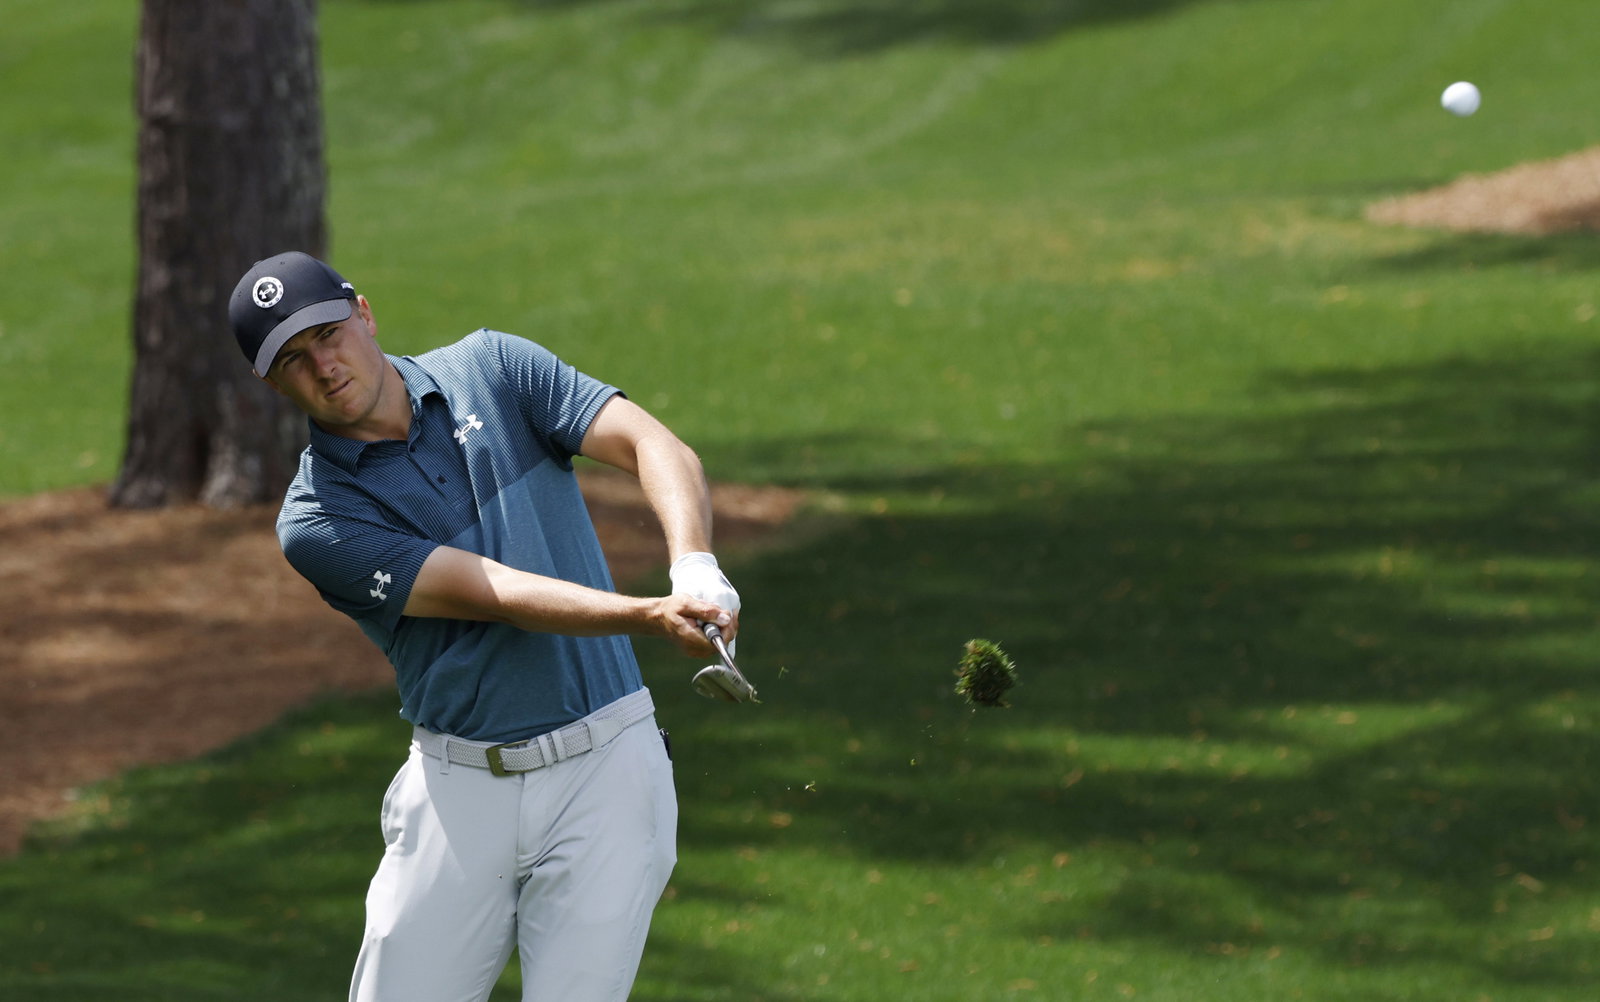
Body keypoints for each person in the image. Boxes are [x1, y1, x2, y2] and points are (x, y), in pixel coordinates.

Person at [227, 250, 744, 1002]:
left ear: (364, 313)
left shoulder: (495, 368)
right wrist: (645, 615)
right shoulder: (316, 521)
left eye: (330, 335)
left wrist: (696, 567)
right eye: (295, 362)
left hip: (609, 773)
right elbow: (492, 591)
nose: (325, 367)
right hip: (458, 789)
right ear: (271, 385)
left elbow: (652, 445)